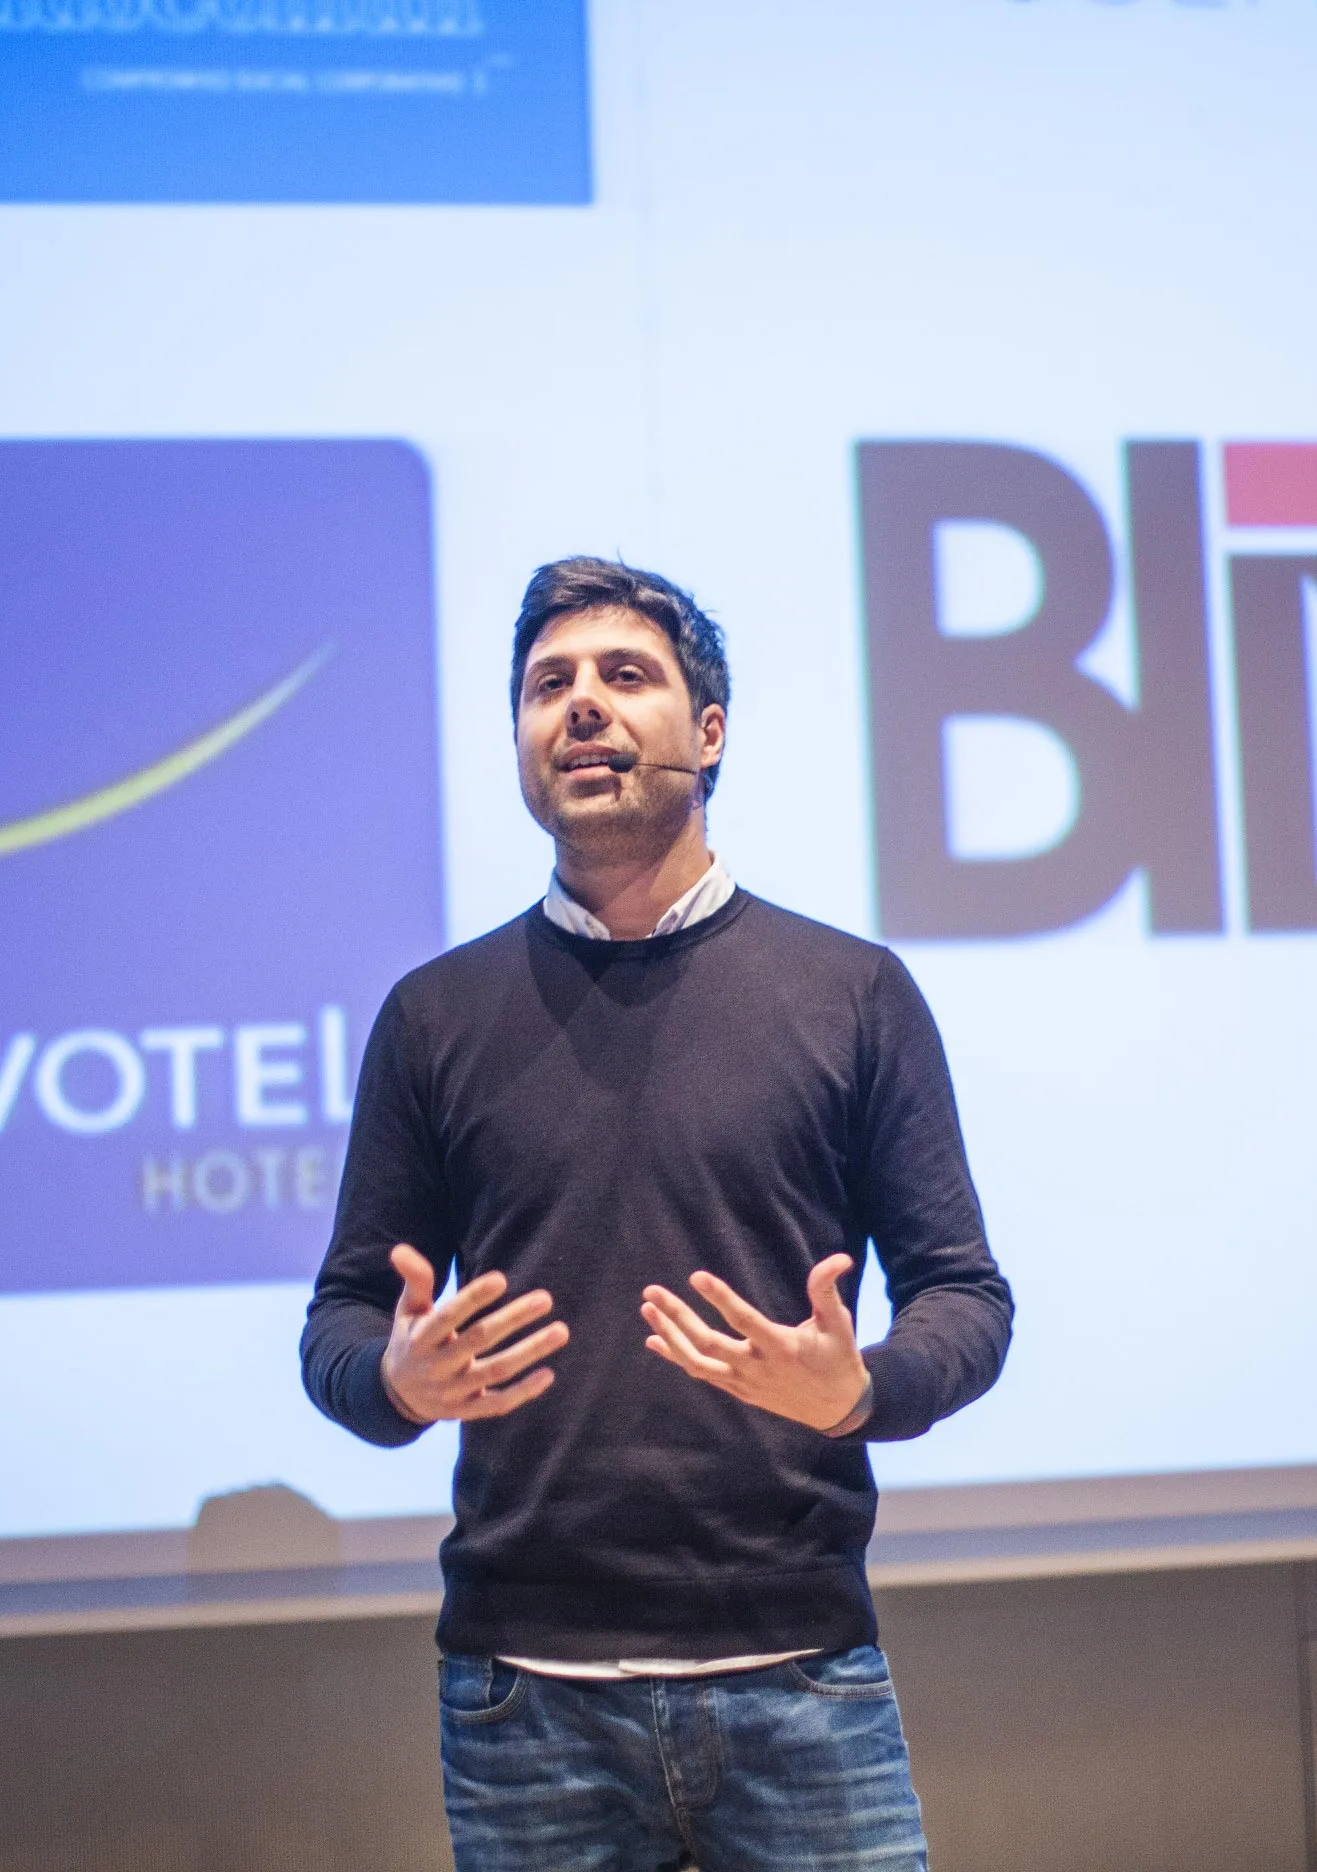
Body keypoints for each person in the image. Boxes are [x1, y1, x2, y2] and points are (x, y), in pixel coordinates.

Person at [300, 556, 1014, 1872]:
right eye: (547, 685)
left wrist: (862, 1390)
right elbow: (339, 1324)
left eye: (626, 676)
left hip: (800, 1679)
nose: (581, 704)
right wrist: (394, 1382)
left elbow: (966, 1297)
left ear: (711, 731)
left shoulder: (852, 995)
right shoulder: (434, 1017)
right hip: (522, 1699)